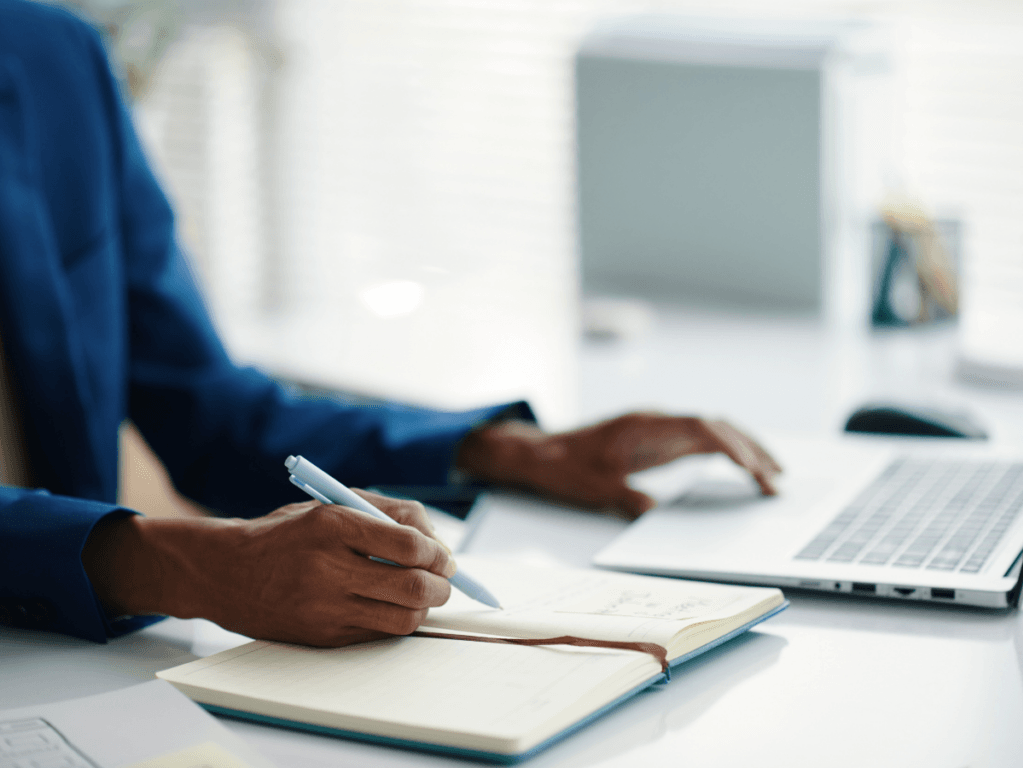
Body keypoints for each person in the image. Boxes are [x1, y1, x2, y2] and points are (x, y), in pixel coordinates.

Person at [0, 0, 780, 648]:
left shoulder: (54, 59)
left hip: (71, 670)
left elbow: (213, 412)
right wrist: (183, 567)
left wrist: (512, 452)